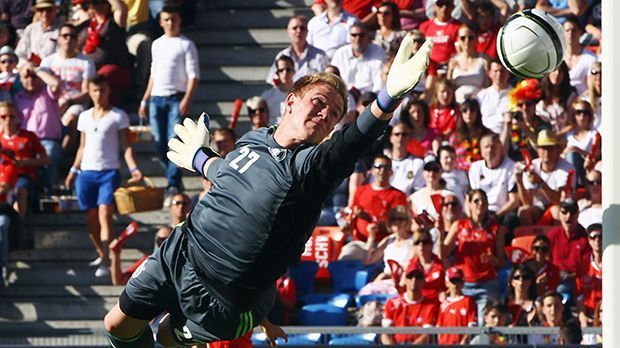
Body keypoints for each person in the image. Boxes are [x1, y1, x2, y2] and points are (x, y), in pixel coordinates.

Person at [103, 37, 433, 346]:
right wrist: (200, 159)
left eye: (333, 115)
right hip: (182, 250)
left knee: (166, 337)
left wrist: (387, 98)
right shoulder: (255, 139)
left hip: (224, 299)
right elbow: (231, 175)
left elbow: (351, 143)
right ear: (290, 101)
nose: (324, 115)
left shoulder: (312, 169)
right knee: (117, 324)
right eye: (318, 103)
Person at [65, 74, 142, 278]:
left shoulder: (118, 115)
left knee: (104, 214)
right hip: (86, 172)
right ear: (89, 92)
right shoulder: (84, 117)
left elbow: (126, 146)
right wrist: (74, 168)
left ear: (108, 91)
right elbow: (82, 146)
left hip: (109, 171)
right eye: (95, 91)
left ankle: (107, 261)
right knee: (91, 217)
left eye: (102, 90)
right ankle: (103, 253)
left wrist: (133, 168)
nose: (99, 94)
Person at [139, 5, 199, 198]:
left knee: (173, 141)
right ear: (161, 22)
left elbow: (193, 76)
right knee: (158, 141)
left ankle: (172, 183)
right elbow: (153, 73)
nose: (170, 22)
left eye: (173, 19)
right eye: (167, 19)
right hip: (156, 98)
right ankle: (174, 176)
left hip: (176, 98)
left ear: (179, 20)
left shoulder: (186, 44)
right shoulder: (156, 44)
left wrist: (187, 99)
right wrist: (144, 100)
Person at [442, 189, 506, 323]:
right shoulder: (459, 225)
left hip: (487, 284)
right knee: (463, 325)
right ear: (469, 204)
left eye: (484, 201)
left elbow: (501, 262)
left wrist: (492, 260)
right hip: (463, 285)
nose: (480, 204)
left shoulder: (496, 228)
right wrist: (439, 231)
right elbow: (443, 254)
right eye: (476, 201)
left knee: (485, 325)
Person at [40, 23, 96, 153]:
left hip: (75, 102)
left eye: (72, 36)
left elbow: (87, 92)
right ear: (59, 38)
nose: (68, 39)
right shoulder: (48, 61)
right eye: (65, 36)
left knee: (71, 118)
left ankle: (62, 154)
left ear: (77, 39)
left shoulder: (86, 62)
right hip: (52, 101)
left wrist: (69, 102)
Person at [13, 63, 62, 193]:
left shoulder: (47, 93)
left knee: (48, 158)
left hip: (47, 140)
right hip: (26, 141)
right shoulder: (17, 99)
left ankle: (50, 196)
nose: (30, 79)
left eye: (34, 77)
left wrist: (36, 70)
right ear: (21, 80)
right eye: (26, 77)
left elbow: (56, 85)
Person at [0, 101, 49, 220]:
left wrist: (24, 162)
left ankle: (18, 227)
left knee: (20, 191)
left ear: (17, 117)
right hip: (3, 176)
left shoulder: (28, 136)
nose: (8, 120)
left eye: (11, 116)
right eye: (3, 116)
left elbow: (45, 159)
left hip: (24, 176)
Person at [515, 129, 575, 225]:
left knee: (556, 210)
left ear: (557, 149)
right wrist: (519, 180)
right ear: (538, 150)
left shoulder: (566, 168)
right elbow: (527, 202)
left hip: (560, 208)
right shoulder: (532, 166)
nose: (546, 152)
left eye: (550, 148)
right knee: (524, 211)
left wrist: (540, 183)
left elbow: (558, 200)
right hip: (538, 207)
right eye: (543, 148)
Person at [79, 0, 132, 104]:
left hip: (114, 69)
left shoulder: (114, 21)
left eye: (103, 2)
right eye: (95, 3)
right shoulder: (87, 24)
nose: (99, 5)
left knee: (103, 75)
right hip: (90, 68)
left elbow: (122, 9)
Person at [348, 155, 407, 243]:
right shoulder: (361, 190)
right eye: (378, 166)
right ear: (372, 171)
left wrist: (369, 219)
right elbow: (351, 216)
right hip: (359, 242)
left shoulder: (398, 195)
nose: (382, 170)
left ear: (391, 172)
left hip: (386, 243)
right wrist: (347, 224)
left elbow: (397, 226)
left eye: (386, 167)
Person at [357, 205, 413, 295]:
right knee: (365, 293)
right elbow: (367, 261)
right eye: (393, 219)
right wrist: (371, 238)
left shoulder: (413, 241)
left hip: (403, 281)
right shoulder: (388, 241)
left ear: (407, 221)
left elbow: (411, 266)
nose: (396, 222)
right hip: (385, 280)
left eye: (400, 219)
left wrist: (389, 276)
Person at [381, 262, 440, 345]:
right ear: (405, 279)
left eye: (418, 277)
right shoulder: (392, 303)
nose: (414, 280)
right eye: (410, 276)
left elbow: (427, 335)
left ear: (423, 280)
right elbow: (386, 333)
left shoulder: (431, 306)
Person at [468, 133, 519, 226]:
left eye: (494, 146)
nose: (490, 150)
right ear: (481, 151)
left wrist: (496, 216)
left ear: (501, 149)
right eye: (486, 147)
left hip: (502, 212)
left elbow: (514, 201)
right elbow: (470, 197)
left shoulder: (511, 167)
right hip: (480, 211)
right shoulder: (475, 168)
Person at [546, 198, 590, 303]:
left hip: (575, 281)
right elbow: (545, 260)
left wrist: (568, 276)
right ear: (559, 215)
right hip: (554, 278)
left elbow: (586, 269)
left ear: (578, 214)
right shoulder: (553, 235)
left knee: (561, 291)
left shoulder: (585, 238)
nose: (568, 216)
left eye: (572, 212)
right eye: (564, 212)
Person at [266, 16, 328, 86]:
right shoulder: (282, 55)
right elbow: (274, 82)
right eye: (294, 28)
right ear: (288, 31)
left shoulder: (320, 56)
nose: (299, 31)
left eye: (302, 28)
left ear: (307, 31)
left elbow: (326, 82)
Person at [331, 23, 386, 94]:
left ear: (368, 37)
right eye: (354, 35)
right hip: (344, 96)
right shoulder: (340, 53)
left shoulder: (378, 52)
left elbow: (379, 83)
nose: (357, 39)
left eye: (361, 35)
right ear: (349, 37)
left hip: (368, 97)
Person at [447, 24, 488, 103]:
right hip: (458, 104)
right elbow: (448, 86)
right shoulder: (453, 60)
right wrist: (450, 71)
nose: (467, 41)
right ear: (458, 39)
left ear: (476, 38)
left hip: (478, 103)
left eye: (470, 37)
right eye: (463, 38)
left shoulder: (484, 60)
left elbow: (487, 85)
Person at [437, 266, 477, 345]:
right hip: (444, 343)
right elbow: (439, 325)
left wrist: (465, 340)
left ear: (463, 282)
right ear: (447, 283)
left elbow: (471, 323)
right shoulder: (443, 303)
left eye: (458, 281)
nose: (456, 284)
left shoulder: (468, 300)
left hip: (461, 343)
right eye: (453, 281)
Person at [14, 0, 61, 67]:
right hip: (30, 70)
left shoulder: (62, 29)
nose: (45, 13)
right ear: (36, 12)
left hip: (53, 70)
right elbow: (19, 53)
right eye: (41, 10)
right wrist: (27, 65)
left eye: (49, 10)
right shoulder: (30, 28)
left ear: (55, 11)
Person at [563, 100, 598, 187]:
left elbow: (596, 157)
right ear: (574, 115)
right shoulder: (568, 134)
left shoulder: (594, 134)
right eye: (578, 112)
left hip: (586, 170)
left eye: (585, 112)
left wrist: (577, 150)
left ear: (590, 115)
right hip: (568, 170)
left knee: (572, 155)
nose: (582, 115)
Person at [449, 98, 490, 171]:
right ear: (461, 113)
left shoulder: (486, 133)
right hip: (462, 173)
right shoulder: (455, 137)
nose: (468, 113)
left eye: (472, 110)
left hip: (483, 171)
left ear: (477, 112)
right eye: (464, 110)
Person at [536, 62, 576, 135]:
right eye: (554, 70)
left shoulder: (570, 96)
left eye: (560, 71)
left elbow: (572, 124)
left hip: (565, 137)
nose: (557, 74)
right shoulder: (539, 94)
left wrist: (556, 136)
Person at [385, 123, 424, 195]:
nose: (400, 138)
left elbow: (418, 191)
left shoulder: (418, 163)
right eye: (397, 134)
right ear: (391, 138)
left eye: (404, 134)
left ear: (409, 138)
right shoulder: (382, 162)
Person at [562, 15, 598, 95]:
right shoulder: (557, 58)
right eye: (567, 30)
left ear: (580, 32)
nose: (570, 34)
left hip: (583, 102)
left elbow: (592, 89)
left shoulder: (591, 59)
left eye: (574, 30)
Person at [576, 223, 602, 328]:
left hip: (611, 314)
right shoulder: (583, 266)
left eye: (601, 236)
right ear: (588, 240)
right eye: (593, 237)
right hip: (590, 314)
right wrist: (582, 316)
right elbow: (579, 295)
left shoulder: (615, 263)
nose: (597, 240)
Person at [476, 60, 511, 135]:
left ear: (508, 73)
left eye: (502, 71)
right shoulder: (481, 96)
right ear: (489, 73)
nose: (499, 75)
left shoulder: (515, 95)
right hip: (485, 137)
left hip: (509, 136)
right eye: (495, 71)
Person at [261, 55, 295, 125]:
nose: (285, 73)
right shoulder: (266, 96)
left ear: (294, 72)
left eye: (288, 70)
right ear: (277, 73)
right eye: (281, 70)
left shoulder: (300, 95)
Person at [580, 61, 601, 130]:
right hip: (593, 134)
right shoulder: (585, 98)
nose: (599, 76)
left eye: (601, 72)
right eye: (594, 72)